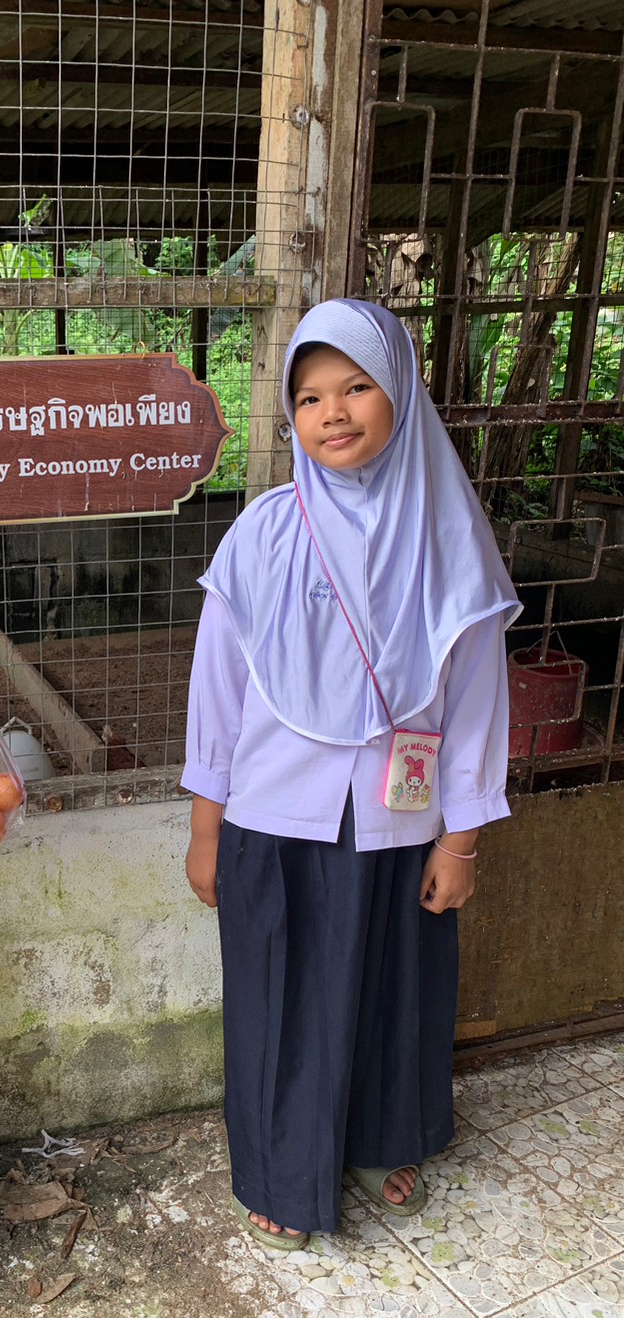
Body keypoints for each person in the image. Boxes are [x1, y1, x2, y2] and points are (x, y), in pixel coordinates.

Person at [182, 299, 521, 1251]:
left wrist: (460, 840)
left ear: (400, 392)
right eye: (307, 396)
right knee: (280, 1003)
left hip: (400, 825)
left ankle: (380, 1138)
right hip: (273, 821)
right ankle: (282, 1172)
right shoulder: (262, 533)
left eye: (356, 386)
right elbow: (216, 691)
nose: (330, 412)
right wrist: (205, 828)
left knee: (390, 991)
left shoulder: (449, 535)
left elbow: (475, 697)